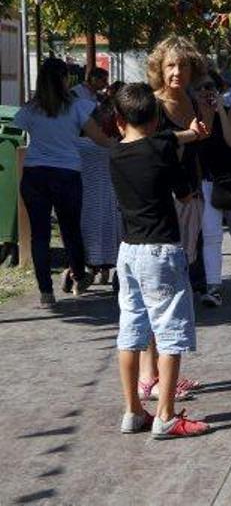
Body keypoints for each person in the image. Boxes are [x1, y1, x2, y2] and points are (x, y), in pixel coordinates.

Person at [109, 83, 212, 438]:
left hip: (128, 252)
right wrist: (189, 139)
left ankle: (132, 411)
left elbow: (164, 139)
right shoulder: (161, 150)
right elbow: (183, 193)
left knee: (130, 331)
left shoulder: (114, 153)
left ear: (118, 121)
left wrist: (188, 134)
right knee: (169, 334)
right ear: (156, 119)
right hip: (161, 252)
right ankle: (165, 416)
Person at [14, 57, 114, 304]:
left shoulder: (30, 109)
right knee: (70, 230)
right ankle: (79, 276)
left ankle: (46, 292)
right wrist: (125, 144)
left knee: (40, 235)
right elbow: (100, 138)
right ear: (64, 79)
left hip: (34, 174)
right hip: (67, 173)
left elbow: (18, 128)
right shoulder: (77, 107)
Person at [145, 36, 209, 402]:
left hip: (192, 197)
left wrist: (210, 112)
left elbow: (204, 142)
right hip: (164, 203)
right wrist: (188, 134)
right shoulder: (152, 105)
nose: (176, 72)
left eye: (183, 65)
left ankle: (163, 374)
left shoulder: (192, 100)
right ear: (159, 68)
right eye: (170, 65)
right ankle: (150, 377)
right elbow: (153, 149)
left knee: (177, 284)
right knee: (160, 290)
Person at [193, 70, 231, 307]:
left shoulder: (228, 111)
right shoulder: (193, 117)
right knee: (211, 235)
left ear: (219, 90)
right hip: (206, 182)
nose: (205, 92)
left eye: (210, 87)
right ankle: (213, 287)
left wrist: (220, 112)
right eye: (200, 88)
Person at [79, 80, 124, 280]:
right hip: (111, 195)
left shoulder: (79, 145)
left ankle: (92, 268)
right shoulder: (116, 145)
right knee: (110, 232)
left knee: (91, 231)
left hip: (88, 196)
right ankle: (107, 270)